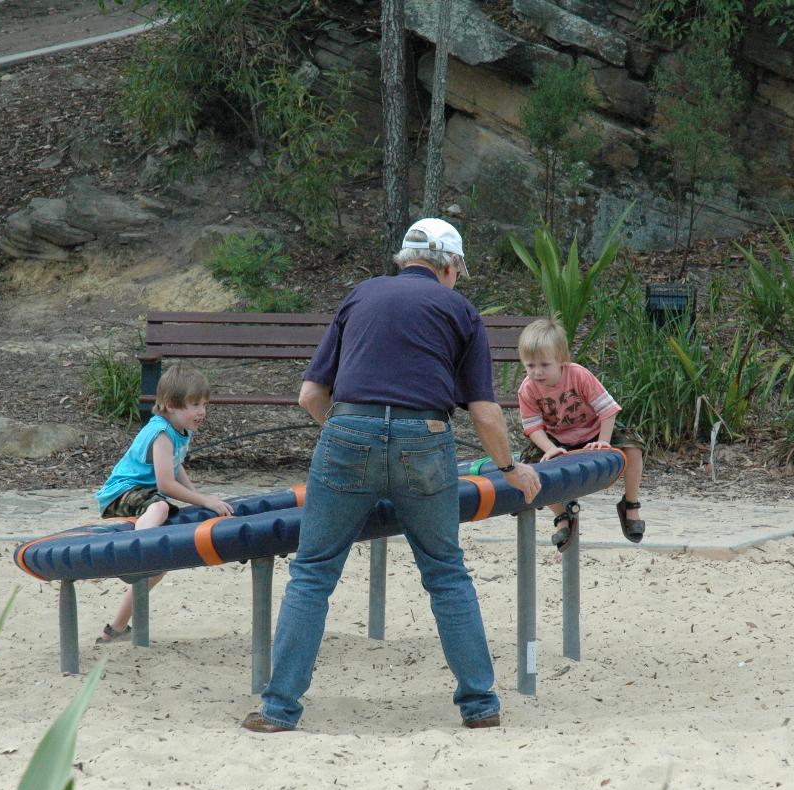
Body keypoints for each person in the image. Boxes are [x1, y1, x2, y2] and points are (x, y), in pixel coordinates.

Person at [240, 218, 542, 734]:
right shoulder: (461, 310)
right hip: (425, 437)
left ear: (405, 260)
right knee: (446, 572)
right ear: (449, 265)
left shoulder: (361, 295)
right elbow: (484, 413)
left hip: (347, 432)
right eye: (458, 271)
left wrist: (351, 433)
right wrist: (512, 469)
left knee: (312, 573)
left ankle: (278, 710)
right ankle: (480, 705)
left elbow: (311, 397)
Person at [92, 363, 233, 644]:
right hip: (122, 493)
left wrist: (198, 500)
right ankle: (133, 555)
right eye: (194, 404)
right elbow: (167, 484)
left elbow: (176, 467)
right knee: (160, 507)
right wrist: (204, 499)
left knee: (158, 568)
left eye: (204, 404)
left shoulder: (180, 428)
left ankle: (115, 629)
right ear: (171, 404)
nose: (201, 411)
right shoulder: (161, 433)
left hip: (144, 493)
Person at [516, 317, 646, 548]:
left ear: (561, 360)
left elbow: (608, 410)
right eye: (530, 365)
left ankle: (630, 505)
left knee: (634, 449)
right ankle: (560, 516)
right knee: (532, 466)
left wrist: (604, 442)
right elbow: (533, 427)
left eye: (544, 365)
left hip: (595, 431)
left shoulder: (578, 375)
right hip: (557, 439)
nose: (536, 372)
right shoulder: (527, 389)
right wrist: (550, 449)